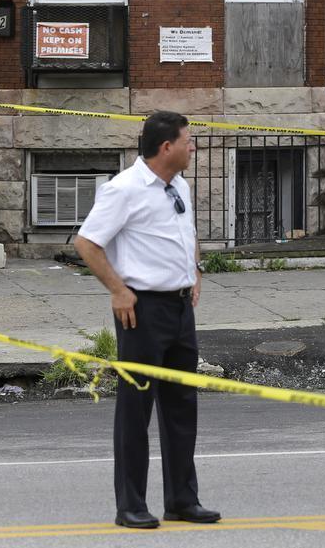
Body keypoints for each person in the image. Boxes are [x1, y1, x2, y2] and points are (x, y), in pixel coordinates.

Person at [74, 110, 220, 530]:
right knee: (136, 409)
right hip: (142, 310)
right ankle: (131, 505)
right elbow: (87, 243)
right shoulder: (124, 189)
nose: (193, 147)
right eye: (188, 141)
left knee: (181, 407)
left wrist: (195, 271)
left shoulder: (180, 185)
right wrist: (119, 291)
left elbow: (186, 233)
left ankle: (181, 499)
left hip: (178, 309)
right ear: (166, 147)